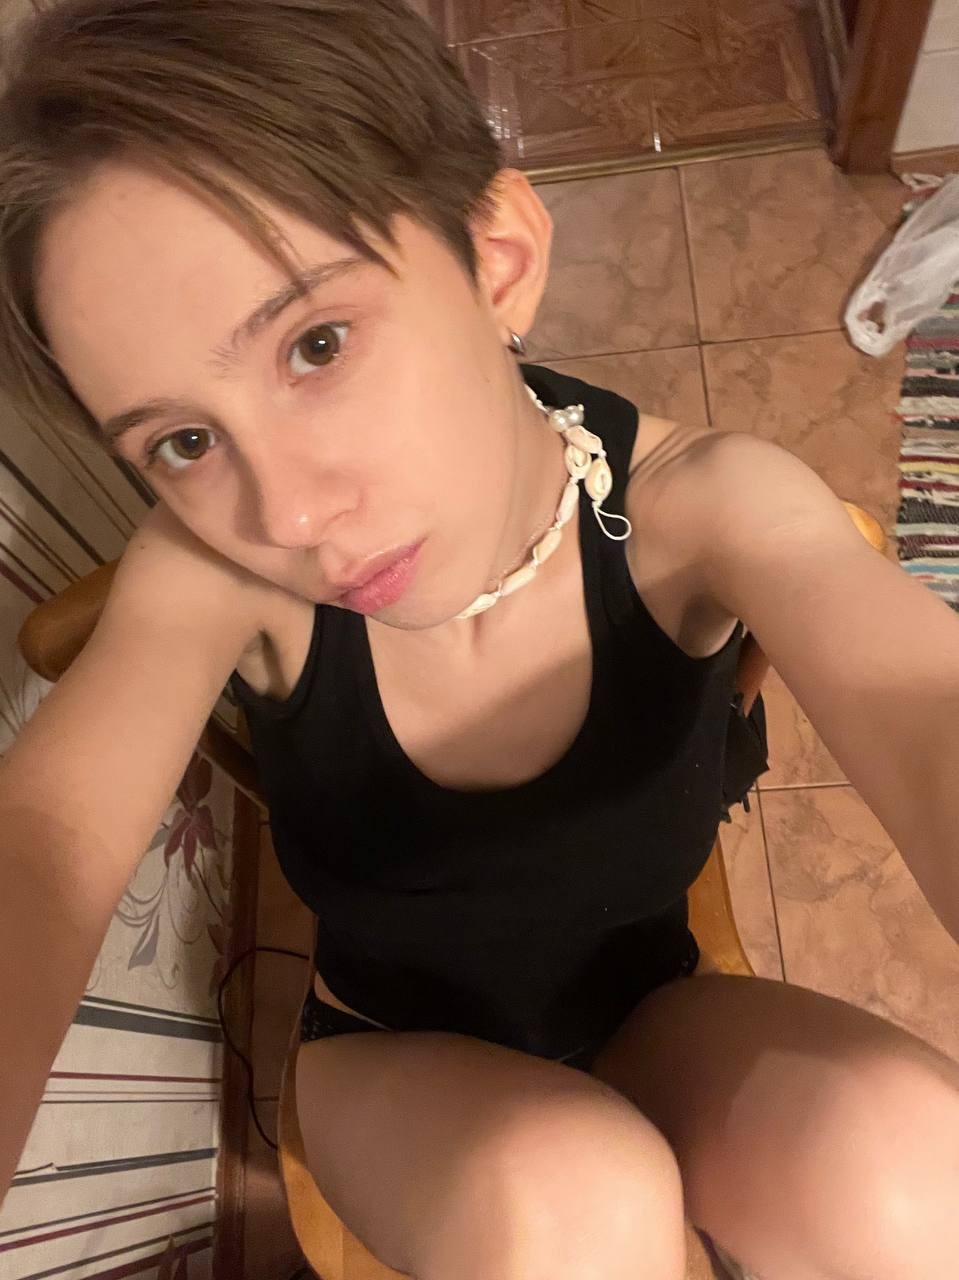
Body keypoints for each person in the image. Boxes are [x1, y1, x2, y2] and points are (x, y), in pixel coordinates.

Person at [1, 2, 958, 1277]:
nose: (290, 515)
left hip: (651, 1003)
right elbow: (47, 839)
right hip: (391, 1053)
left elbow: (922, 705)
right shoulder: (212, 573)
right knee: (565, 1202)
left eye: (316, 344)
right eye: (183, 439)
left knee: (907, 1169)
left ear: (494, 258)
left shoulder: (705, 509)